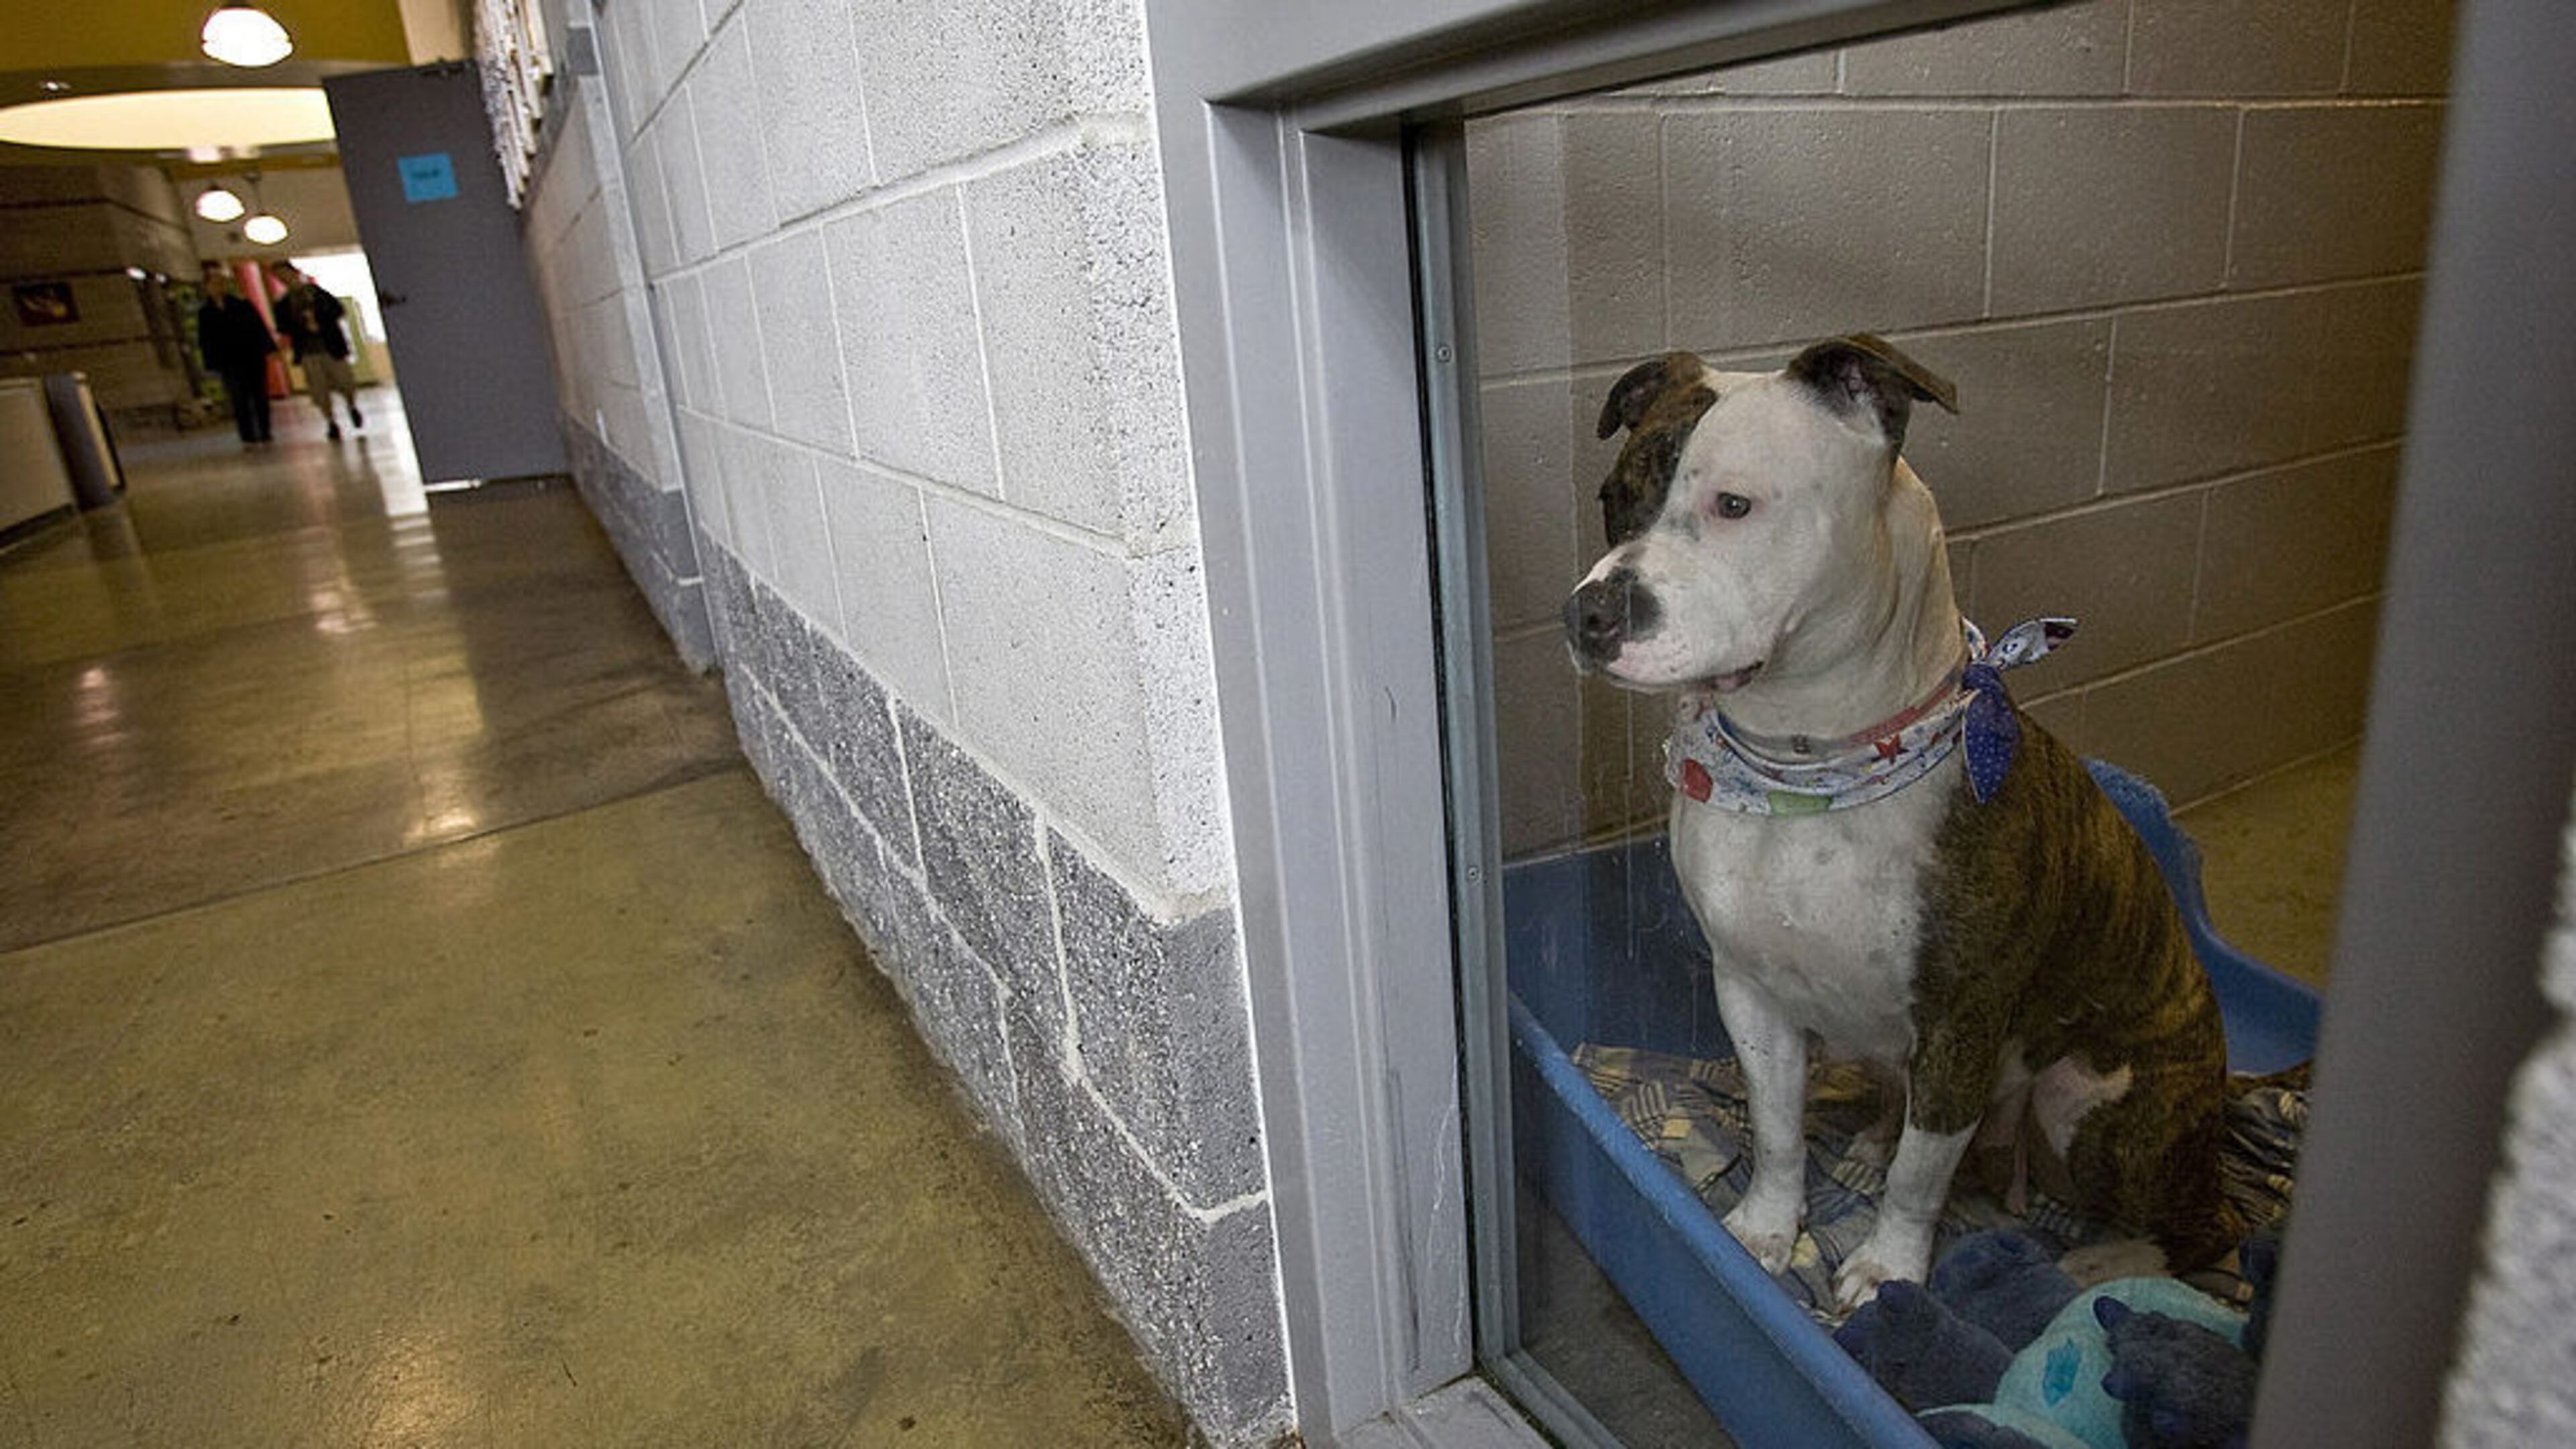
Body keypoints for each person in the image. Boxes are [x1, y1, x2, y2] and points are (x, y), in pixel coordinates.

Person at [270, 262, 364, 439]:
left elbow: (338, 310)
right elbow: (283, 327)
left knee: (345, 382)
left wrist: (319, 321)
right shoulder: (283, 304)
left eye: (286, 274)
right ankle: (331, 422)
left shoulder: (318, 294)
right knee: (319, 389)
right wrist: (302, 325)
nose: (285, 279)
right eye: (280, 277)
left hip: (331, 347)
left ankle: (352, 406)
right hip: (308, 352)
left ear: (294, 273)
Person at [197, 264, 278, 446]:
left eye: (221, 282)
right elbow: (206, 340)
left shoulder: (242, 305)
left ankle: (265, 432)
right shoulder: (206, 313)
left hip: (252, 357)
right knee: (239, 398)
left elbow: (259, 329)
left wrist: (270, 350)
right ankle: (247, 435)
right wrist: (211, 363)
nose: (218, 286)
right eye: (214, 283)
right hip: (229, 363)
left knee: (259, 395)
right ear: (207, 287)